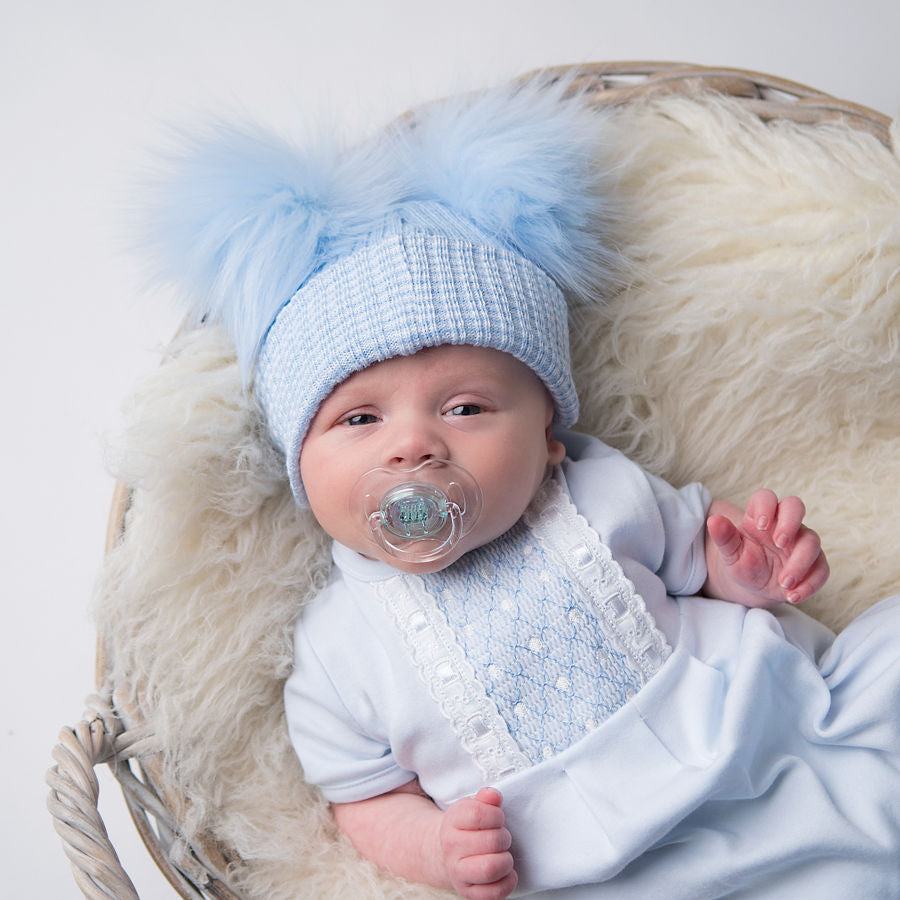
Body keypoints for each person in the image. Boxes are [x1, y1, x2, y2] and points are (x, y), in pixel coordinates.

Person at [146, 76, 900, 898]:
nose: (412, 446)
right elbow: (364, 800)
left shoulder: (599, 491)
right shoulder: (336, 652)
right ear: (302, 471)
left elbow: (701, 559)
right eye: (359, 421)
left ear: (548, 440)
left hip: (765, 743)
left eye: (465, 407)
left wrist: (750, 571)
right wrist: (437, 848)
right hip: (605, 867)